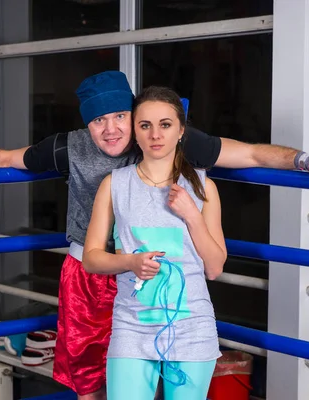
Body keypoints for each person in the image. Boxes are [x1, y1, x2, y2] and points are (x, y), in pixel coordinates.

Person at [0, 71, 309, 399]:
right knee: (90, 381)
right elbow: (9, 156)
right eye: (100, 120)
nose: (113, 129)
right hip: (93, 268)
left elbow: (252, 152)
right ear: (88, 125)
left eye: (121, 116)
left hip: (164, 277)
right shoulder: (70, 147)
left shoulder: (170, 140)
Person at [83, 85, 225, 400]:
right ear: (135, 132)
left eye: (165, 124)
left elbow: (214, 268)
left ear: (181, 130)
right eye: (145, 125)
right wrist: (130, 262)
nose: (155, 135)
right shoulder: (114, 185)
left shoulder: (204, 187)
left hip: (192, 326)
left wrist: (192, 215)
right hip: (131, 323)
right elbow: (91, 258)